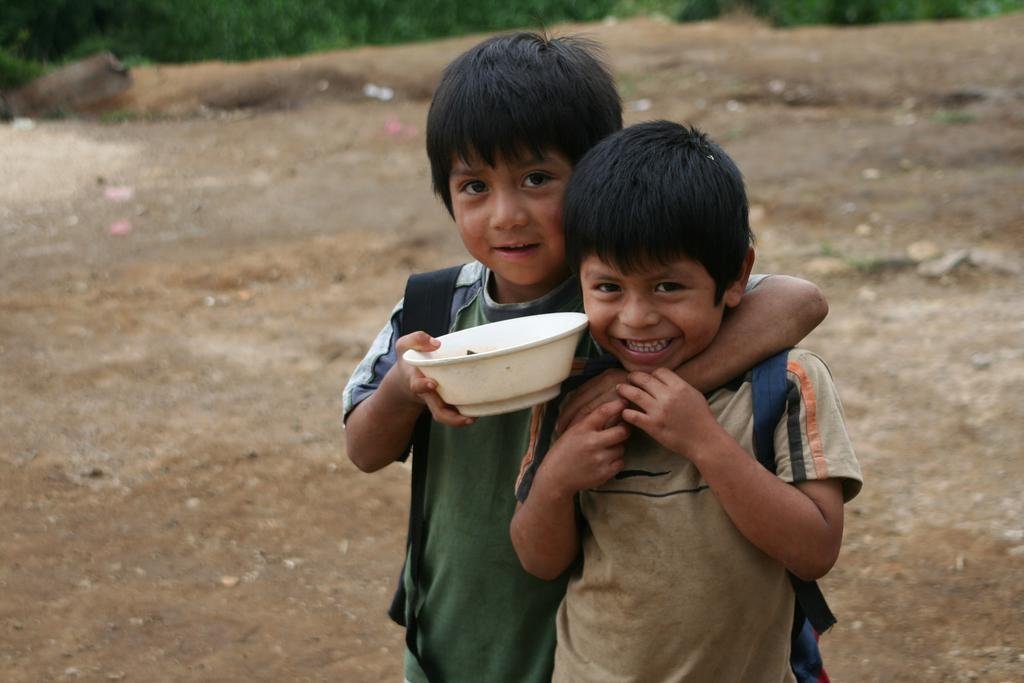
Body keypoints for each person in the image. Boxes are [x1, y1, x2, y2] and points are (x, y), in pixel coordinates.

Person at [343, 33, 829, 683]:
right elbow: (363, 448)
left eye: (537, 179)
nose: (506, 214)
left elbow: (799, 300)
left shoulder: (622, 309)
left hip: (590, 646)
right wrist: (406, 386)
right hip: (455, 633)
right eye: (474, 186)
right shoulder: (432, 311)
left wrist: (648, 393)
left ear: (596, 172)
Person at [510, 120, 863, 682]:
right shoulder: (569, 390)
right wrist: (557, 479)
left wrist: (705, 441)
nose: (636, 317)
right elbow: (538, 559)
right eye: (607, 287)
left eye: (667, 287)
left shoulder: (785, 382)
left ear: (736, 276)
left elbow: (816, 549)